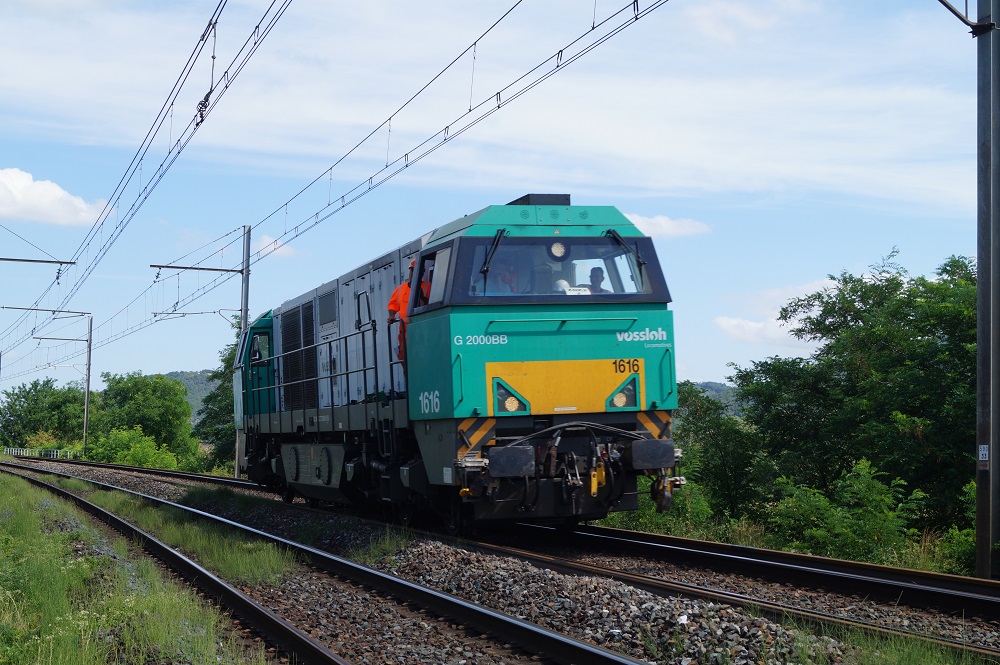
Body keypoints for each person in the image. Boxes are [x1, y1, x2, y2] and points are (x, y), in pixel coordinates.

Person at [387, 259, 429, 361]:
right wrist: (392, 315)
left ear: (423, 272)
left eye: (417, 270)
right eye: (412, 270)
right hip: (405, 331)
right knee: (404, 358)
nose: (414, 273)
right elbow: (392, 304)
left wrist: (422, 298)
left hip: (422, 330)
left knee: (420, 357)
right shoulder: (400, 289)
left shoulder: (428, 287)